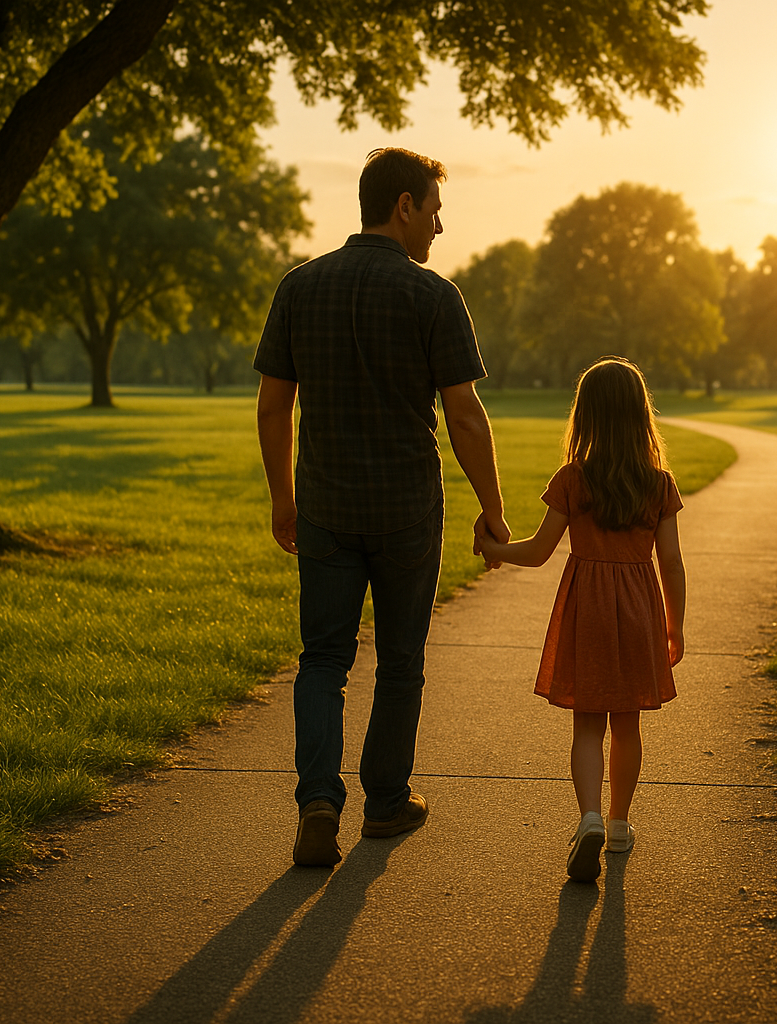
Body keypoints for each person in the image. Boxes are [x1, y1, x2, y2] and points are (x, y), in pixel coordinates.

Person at [254, 147, 511, 868]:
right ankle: (386, 804)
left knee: (323, 660)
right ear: (404, 206)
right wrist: (493, 510)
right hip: (405, 513)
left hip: (327, 508)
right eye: (433, 209)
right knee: (400, 661)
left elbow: (275, 407)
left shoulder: (300, 287)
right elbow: (464, 414)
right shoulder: (432, 296)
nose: (438, 226)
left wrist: (285, 501)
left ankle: (316, 801)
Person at [478, 357, 687, 883]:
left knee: (588, 725)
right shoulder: (658, 484)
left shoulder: (573, 479)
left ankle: (588, 816)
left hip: (587, 608)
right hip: (640, 607)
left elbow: (541, 550)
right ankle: (619, 823)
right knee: (629, 725)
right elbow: (673, 562)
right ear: (642, 417)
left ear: (585, 417)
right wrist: (674, 625)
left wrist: (495, 548)